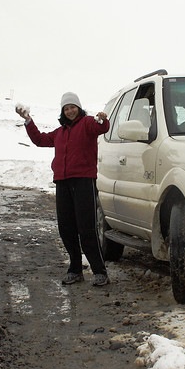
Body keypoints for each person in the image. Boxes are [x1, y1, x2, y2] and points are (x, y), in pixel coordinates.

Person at [15, 92, 111, 286]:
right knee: (66, 228)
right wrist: (28, 120)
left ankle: (100, 271)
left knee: (87, 228)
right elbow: (39, 140)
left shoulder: (87, 124)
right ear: (63, 111)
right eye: (66, 108)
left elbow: (101, 127)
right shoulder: (59, 133)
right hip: (63, 182)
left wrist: (102, 119)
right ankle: (75, 269)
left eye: (72, 107)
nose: (70, 111)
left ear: (79, 107)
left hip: (84, 182)